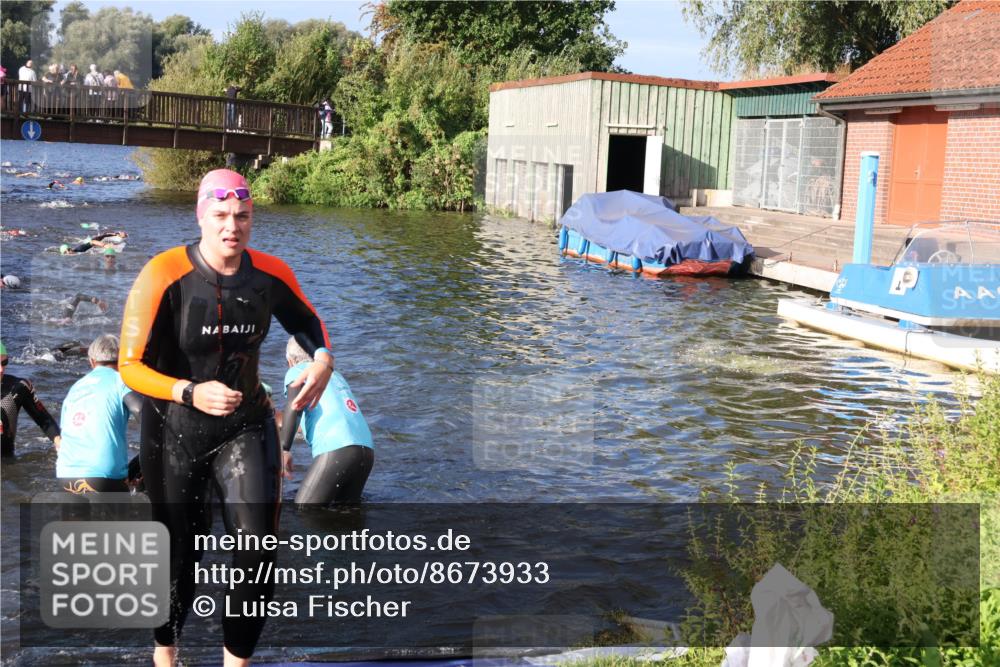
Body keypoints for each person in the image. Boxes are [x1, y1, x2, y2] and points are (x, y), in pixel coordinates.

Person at [119, 168, 334, 666]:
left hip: (246, 424)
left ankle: (236, 663)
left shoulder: (270, 275)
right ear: (200, 215)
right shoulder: (163, 273)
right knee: (178, 556)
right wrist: (188, 391)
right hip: (174, 430)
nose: (230, 226)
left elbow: (309, 324)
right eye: (219, 215)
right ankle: (165, 655)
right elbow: (130, 367)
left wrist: (323, 359)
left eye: (241, 216)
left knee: (257, 550)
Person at [280, 336, 374, 504]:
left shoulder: (298, 371)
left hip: (338, 448)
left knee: (304, 510)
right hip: (366, 450)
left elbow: (295, 406)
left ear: (291, 361)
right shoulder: (334, 375)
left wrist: (284, 448)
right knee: (347, 514)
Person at [56, 335, 143, 494]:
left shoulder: (75, 388)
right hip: (104, 476)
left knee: (76, 519)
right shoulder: (121, 381)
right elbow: (140, 411)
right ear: (121, 360)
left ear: (91, 361)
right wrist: (142, 464)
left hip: (66, 475)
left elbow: (64, 436)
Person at [1, 340, 62, 457]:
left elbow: (44, 419)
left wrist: (59, 441)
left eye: (4, 362)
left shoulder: (19, 387)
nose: (1, 369)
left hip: (7, 463)